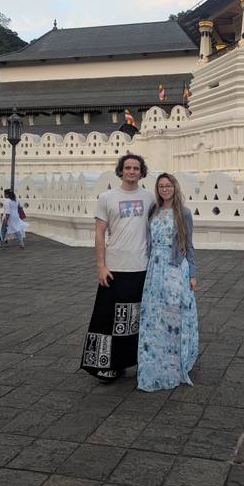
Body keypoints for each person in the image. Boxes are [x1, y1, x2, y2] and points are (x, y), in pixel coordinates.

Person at [80, 153, 155, 383]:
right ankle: (105, 365)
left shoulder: (150, 198)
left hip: (141, 267)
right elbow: (99, 233)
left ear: (141, 172)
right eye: (128, 167)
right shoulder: (107, 198)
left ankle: (126, 363)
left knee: (132, 319)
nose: (131, 171)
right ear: (120, 170)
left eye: (136, 168)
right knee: (107, 317)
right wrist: (100, 266)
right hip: (114, 268)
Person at [137, 173, 198, 392]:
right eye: (161, 186)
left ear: (175, 187)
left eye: (168, 185)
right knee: (155, 316)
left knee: (174, 315)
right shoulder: (153, 211)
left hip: (174, 268)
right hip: (154, 268)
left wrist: (192, 274)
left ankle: (174, 361)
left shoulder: (184, 213)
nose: (165, 189)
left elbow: (189, 245)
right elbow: (148, 241)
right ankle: (155, 356)